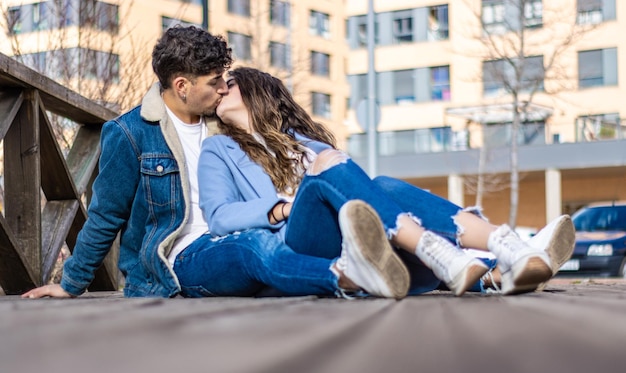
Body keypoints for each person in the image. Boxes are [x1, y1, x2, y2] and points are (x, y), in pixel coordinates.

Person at [21, 25, 410, 300]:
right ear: (181, 86)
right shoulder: (130, 133)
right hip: (183, 260)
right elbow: (106, 214)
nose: (225, 87)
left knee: (376, 191)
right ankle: (349, 277)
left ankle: (444, 259)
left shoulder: (224, 122)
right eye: (215, 81)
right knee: (252, 247)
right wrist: (71, 283)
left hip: (261, 232)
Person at [198, 67, 576, 296]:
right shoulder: (219, 150)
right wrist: (283, 207)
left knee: (385, 186)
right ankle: (492, 251)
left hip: (363, 246)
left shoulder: (309, 144)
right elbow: (220, 216)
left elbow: (366, 200)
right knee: (339, 177)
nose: (218, 90)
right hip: (303, 242)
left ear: (255, 92)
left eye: (227, 84)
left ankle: (501, 262)